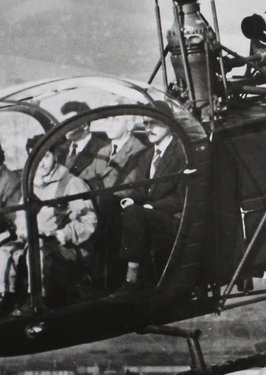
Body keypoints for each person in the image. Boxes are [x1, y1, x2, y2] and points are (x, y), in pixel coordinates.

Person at [116, 120, 188, 291]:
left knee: (134, 213)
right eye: (146, 124)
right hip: (149, 215)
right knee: (115, 208)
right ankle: (113, 279)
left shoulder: (181, 153)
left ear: (169, 124)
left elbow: (181, 198)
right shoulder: (147, 155)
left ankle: (132, 278)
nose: (149, 129)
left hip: (173, 218)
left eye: (154, 124)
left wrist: (151, 207)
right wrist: (133, 200)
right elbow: (141, 190)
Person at [31, 146, 98, 305]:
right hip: (34, 239)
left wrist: (65, 234)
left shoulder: (71, 183)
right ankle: (4, 297)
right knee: (3, 252)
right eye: (36, 159)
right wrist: (22, 231)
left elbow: (89, 220)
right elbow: (21, 214)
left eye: (45, 157)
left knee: (38, 254)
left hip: (62, 243)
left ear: (54, 156)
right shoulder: (31, 184)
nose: (41, 164)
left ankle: (36, 299)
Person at [56, 100, 113, 184]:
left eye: (69, 123)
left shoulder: (103, 150)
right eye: (63, 123)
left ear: (85, 126)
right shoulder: (59, 149)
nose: (64, 127)